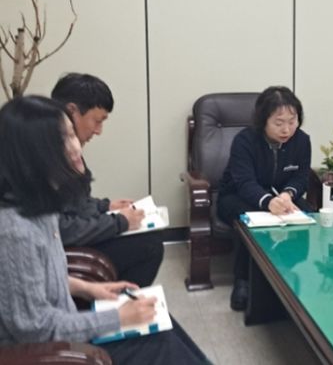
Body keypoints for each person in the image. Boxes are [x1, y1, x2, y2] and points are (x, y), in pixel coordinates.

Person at [0, 95, 207, 364]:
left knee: (161, 320)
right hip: (43, 352)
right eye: (64, 139)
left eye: (72, 134)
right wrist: (117, 317)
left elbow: (39, 277)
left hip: (63, 325)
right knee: (162, 344)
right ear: (33, 155)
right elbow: (35, 329)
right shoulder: (14, 231)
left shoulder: (40, 206)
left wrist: (88, 288)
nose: (76, 146)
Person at [51, 73, 163, 287]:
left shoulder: (65, 147)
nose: (99, 131)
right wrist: (119, 222)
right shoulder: (49, 157)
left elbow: (75, 202)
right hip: (65, 247)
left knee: (149, 240)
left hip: (74, 236)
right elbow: (61, 227)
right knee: (148, 246)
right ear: (72, 111)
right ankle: (120, 301)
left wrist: (105, 206)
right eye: (97, 121)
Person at [217, 86, 312, 311]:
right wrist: (268, 202)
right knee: (249, 221)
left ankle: (289, 270)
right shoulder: (244, 141)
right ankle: (243, 280)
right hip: (237, 196)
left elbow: (301, 177)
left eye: (292, 121)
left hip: (281, 196)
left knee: (305, 212)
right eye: (279, 123)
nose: (286, 129)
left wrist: (288, 194)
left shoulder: (302, 141)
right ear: (263, 121)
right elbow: (244, 182)